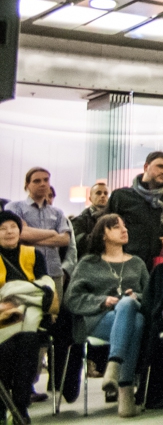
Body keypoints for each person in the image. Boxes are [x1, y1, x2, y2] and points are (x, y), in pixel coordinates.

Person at [64, 214, 149, 416]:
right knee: (134, 319)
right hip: (98, 319)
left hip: (128, 316)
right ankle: (125, 391)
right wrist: (102, 301)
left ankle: (114, 364)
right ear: (103, 234)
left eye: (125, 226)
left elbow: (150, 296)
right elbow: (72, 298)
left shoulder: (137, 263)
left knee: (133, 313)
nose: (124, 230)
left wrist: (136, 295)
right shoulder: (88, 263)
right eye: (117, 227)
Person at [0, 210, 55, 424]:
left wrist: (16, 292)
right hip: (3, 320)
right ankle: (7, 407)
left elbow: (46, 288)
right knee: (8, 348)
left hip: (33, 320)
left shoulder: (34, 255)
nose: (9, 231)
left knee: (27, 344)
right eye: (3, 228)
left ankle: (20, 406)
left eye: (13, 226)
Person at [106, 151, 163, 269]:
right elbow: (106, 229)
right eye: (160, 166)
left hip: (160, 265)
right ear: (146, 167)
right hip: (127, 263)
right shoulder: (121, 196)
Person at [6, 167, 71, 293]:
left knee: (54, 310)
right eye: (37, 181)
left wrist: (31, 238)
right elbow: (21, 233)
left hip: (54, 271)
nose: (42, 183)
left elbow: (65, 239)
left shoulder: (57, 212)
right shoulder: (15, 207)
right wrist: (53, 233)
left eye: (46, 180)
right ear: (27, 185)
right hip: (26, 269)